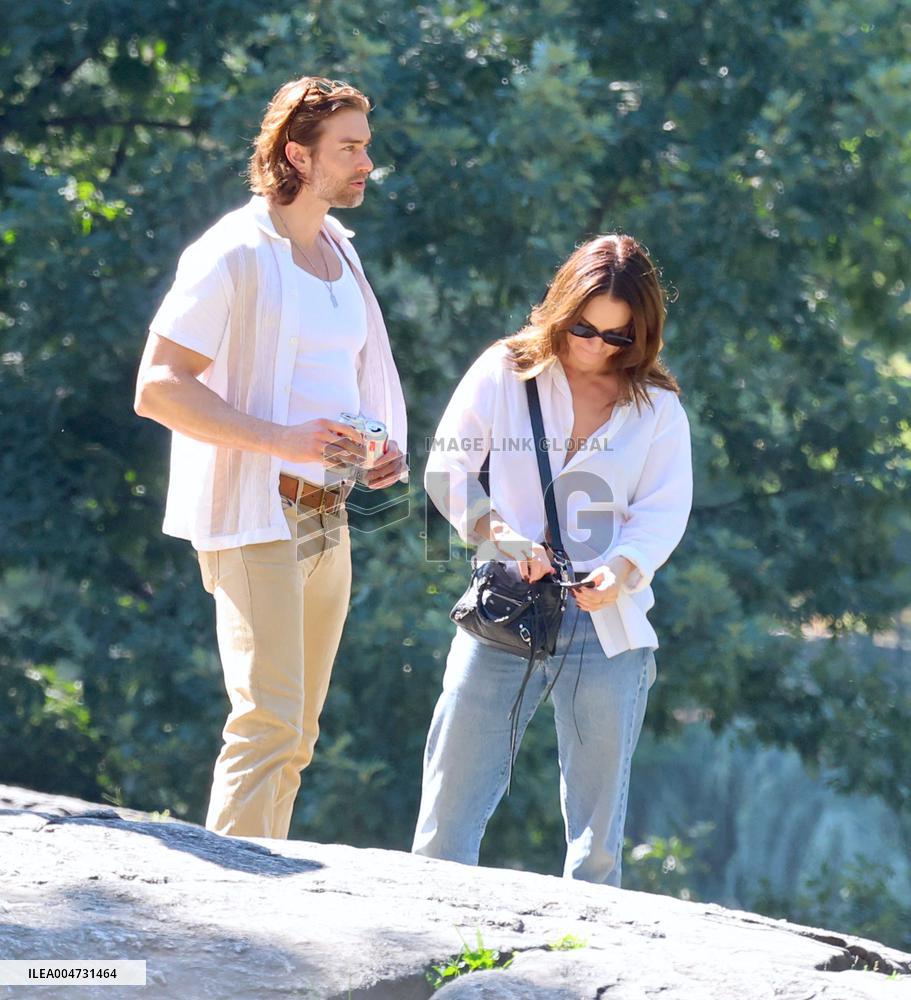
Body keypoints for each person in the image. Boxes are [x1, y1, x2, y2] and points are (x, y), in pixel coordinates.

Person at [134, 76, 408, 840]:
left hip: (324, 508)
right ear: (297, 153)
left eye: (366, 146)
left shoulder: (341, 252)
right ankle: (228, 929)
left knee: (298, 734)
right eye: (349, 148)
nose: (365, 163)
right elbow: (156, 388)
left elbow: (346, 377)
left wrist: (380, 450)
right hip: (252, 510)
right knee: (267, 720)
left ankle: (259, 907)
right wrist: (278, 439)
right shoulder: (229, 252)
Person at [413, 235, 692, 885]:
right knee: (447, 812)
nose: (595, 347)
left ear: (641, 335)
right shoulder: (504, 370)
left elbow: (660, 512)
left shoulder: (656, 407)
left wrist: (620, 570)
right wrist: (499, 535)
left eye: (617, 338)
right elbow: (445, 471)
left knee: (595, 844)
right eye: (583, 328)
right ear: (560, 309)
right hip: (506, 609)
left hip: (609, 623)